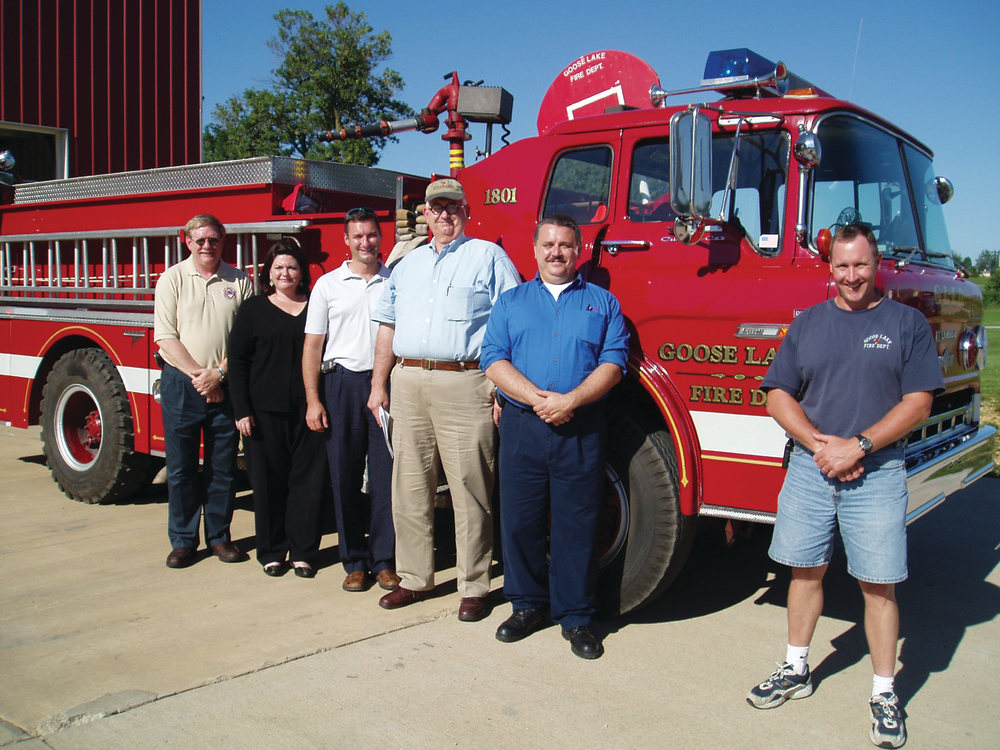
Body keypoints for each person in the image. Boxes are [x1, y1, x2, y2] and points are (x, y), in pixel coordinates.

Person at [745, 224, 944, 748]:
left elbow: (919, 403)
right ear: (828, 268)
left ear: (876, 264)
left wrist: (859, 445)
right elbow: (777, 396)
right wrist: (820, 447)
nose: (851, 276)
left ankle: (883, 691)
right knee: (804, 572)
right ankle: (796, 669)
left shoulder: (907, 324)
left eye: (860, 265)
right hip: (811, 471)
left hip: (876, 472)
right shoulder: (807, 324)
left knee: (879, 585)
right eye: (841, 266)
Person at [368, 178, 521, 621]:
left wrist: (501, 388)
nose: (445, 215)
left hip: (466, 382)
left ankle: (474, 584)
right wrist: (379, 386)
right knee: (409, 488)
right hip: (409, 381)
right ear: (426, 214)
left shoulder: (488, 257)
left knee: (470, 488)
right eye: (437, 208)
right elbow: (387, 328)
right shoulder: (406, 266)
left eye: (453, 207)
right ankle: (415, 578)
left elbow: (511, 323)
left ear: (466, 211)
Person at [481, 215, 629, 659]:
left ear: (579, 249)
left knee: (576, 524)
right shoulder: (511, 303)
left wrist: (571, 401)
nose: (556, 252)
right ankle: (526, 605)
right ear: (535, 250)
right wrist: (538, 399)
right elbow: (492, 358)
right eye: (548, 244)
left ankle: (577, 617)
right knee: (521, 520)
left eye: (565, 244)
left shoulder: (604, 303)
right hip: (524, 426)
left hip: (580, 427)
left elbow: (614, 362)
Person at [303, 208, 399, 592]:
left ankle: (384, 559)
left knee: (385, 478)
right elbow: (312, 346)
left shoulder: (396, 280)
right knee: (343, 476)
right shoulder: (328, 285)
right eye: (357, 236)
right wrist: (314, 399)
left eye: (372, 235)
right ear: (346, 240)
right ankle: (354, 561)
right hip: (340, 385)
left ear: (381, 236)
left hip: (386, 387)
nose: (366, 242)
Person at [154, 214, 254, 568]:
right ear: (187, 241)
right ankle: (183, 541)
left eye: (214, 240)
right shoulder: (172, 279)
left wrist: (219, 375)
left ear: (222, 241)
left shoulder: (239, 280)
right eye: (200, 240)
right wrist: (201, 377)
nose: (207, 246)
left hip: (225, 382)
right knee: (180, 467)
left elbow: (246, 339)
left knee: (222, 467)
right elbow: (165, 337)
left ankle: (219, 538)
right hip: (183, 383)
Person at [228, 240, 327, 578]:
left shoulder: (315, 305)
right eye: (279, 267)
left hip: (309, 410)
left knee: (307, 482)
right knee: (268, 483)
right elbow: (237, 362)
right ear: (268, 273)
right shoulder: (253, 308)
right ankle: (271, 551)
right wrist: (241, 409)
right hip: (262, 412)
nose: (286, 273)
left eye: (293, 267)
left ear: (302, 273)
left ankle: (303, 552)